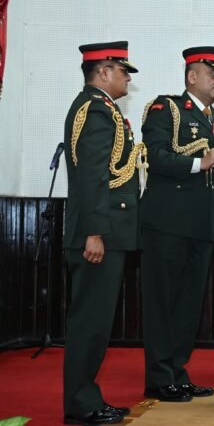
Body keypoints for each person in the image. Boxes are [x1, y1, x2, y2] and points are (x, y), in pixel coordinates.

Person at [140, 47, 214, 402]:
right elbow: (156, 156)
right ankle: (159, 377)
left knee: (189, 306)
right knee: (163, 302)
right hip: (168, 223)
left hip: (204, 225)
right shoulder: (167, 109)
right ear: (192, 77)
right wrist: (199, 162)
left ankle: (177, 371)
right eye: (213, 75)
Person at [62, 41, 144, 424]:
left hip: (109, 231)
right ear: (104, 71)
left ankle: (86, 399)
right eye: (123, 71)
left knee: (97, 325)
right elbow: (92, 174)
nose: (127, 78)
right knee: (90, 325)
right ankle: (82, 404)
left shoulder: (104, 109)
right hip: (99, 235)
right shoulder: (94, 109)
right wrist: (94, 232)